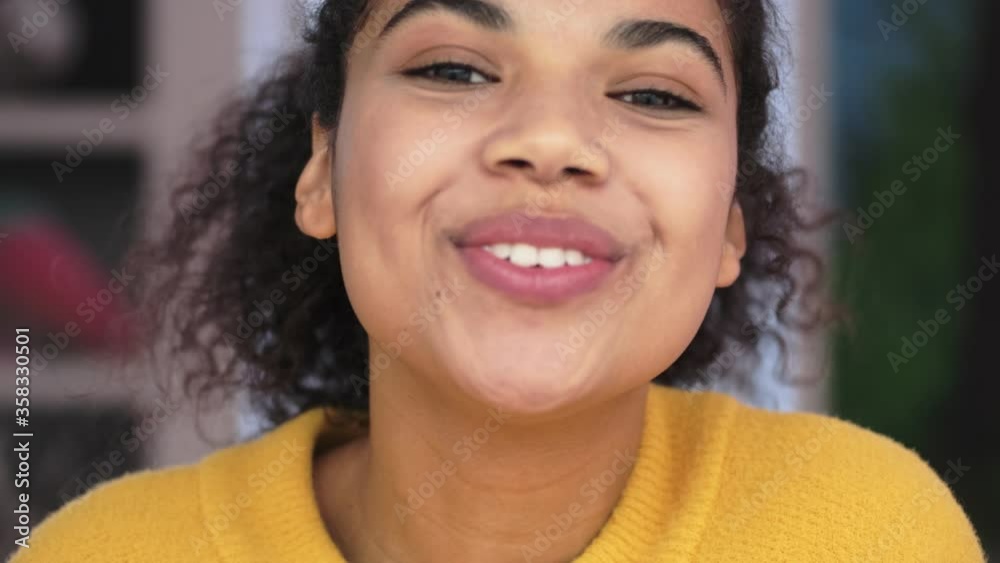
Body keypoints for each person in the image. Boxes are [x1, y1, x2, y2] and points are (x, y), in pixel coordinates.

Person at [12, 0, 986, 561]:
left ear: (728, 228)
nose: (551, 141)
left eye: (651, 93)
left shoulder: (864, 533)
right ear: (322, 173)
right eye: (454, 70)